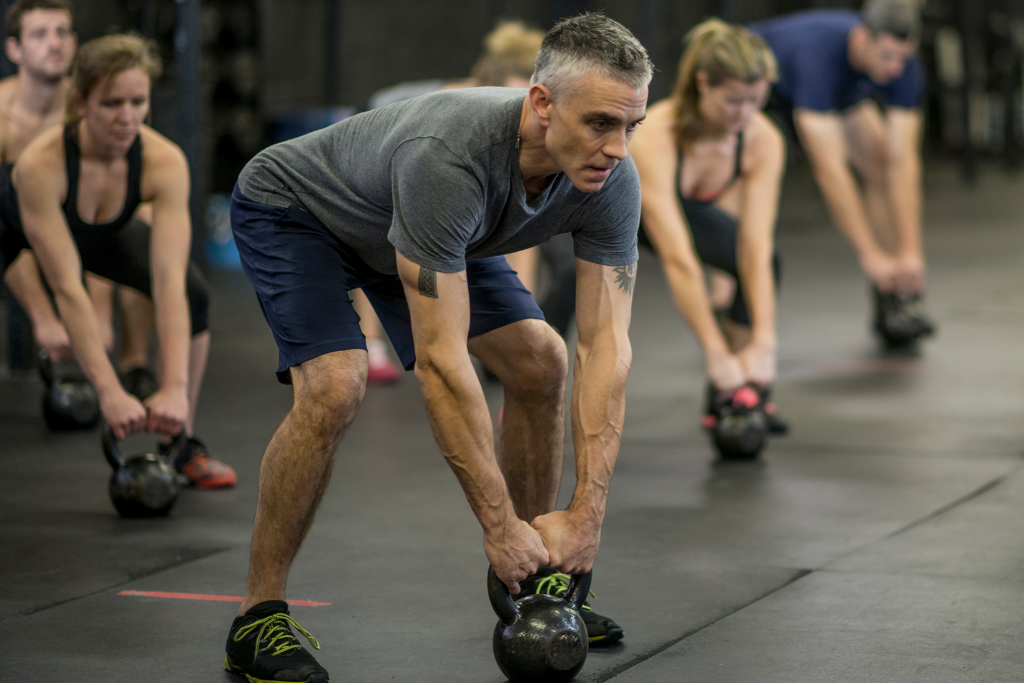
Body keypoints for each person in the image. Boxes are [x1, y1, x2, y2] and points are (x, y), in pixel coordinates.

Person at [226, 13, 650, 682]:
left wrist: (586, 514)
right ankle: (257, 617)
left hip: (423, 231)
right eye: (600, 123)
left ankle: (534, 578)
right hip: (300, 212)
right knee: (336, 384)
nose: (617, 148)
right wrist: (497, 524)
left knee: (541, 360)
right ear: (542, 103)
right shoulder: (450, 156)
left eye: (632, 126)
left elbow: (606, 347)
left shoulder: (611, 179)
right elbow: (443, 365)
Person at [0, 33, 235, 487]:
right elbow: (68, 287)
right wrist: (108, 392)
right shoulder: (41, 165)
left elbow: (168, 283)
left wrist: (174, 389)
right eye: (111, 104)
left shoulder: (164, 162)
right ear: (80, 103)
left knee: (193, 293)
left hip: (94, 231)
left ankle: (180, 442)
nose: (127, 117)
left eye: (137, 102)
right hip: (12, 226)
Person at [358, 20, 548, 384]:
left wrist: (521, 319)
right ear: (488, 87)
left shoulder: (516, 127)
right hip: (382, 131)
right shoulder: (451, 115)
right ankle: (370, 341)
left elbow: (522, 240)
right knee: (378, 232)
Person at [630, 19, 787, 433]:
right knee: (566, 285)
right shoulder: (656, 135)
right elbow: (679, 259)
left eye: (755, 100)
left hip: (684, 211)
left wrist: (765, 342)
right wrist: (713, 352)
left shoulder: (762, 139)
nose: (745, 113)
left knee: (767, 262)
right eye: (733, 101)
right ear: (703, 83)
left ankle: (739, 389)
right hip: (611, 215)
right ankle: (529, 391)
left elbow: (754, 248)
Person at [750, 0, 935, 346]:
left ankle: (894, 291)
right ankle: (727, 305)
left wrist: (910, 251)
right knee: (740, 182)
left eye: (903, 58)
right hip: (759, 82)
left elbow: (903, 160)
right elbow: (830, 171)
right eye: (887, 56)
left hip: (838, 88)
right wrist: (869, 254)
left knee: (879, 161)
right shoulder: (816, 58)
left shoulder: (903, 65)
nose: (895, 68)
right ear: (862, 39)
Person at [0, 0, 157, 398]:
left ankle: (134, 363)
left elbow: (103, 208)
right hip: (21, 228)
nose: (54, 43)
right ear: (14, 49)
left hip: (83, 220)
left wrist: (97, 316)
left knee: (147, 218)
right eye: (40, 34)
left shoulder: (92, 106)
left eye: (62, 33)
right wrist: (44, 318)